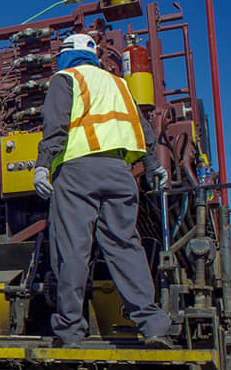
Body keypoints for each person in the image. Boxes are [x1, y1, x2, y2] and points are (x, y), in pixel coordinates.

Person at [33, 33, 174, 349]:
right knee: (125, 245)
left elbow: (54, 126)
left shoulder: (65, 78)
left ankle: (70, 331)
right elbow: (144, 130)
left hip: (77, 172)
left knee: (72, 249)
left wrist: (43, 165)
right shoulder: (120, 84)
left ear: (67, 54)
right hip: (119, 173)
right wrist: (153, 167)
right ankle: (152, 324)